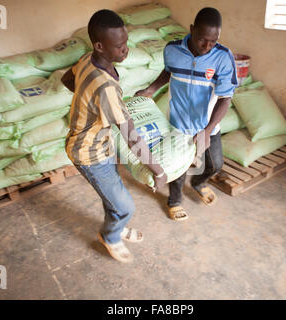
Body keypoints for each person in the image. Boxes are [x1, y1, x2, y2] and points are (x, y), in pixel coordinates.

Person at [61, 9, 167, 263]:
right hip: (88, 153)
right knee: (125, 205)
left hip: (101, 145)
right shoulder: (106, 87)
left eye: (126, 42)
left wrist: (86, 102)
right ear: (99, 46)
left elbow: (67, 79)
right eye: (119, 46)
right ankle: (110, 237)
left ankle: (116, 227)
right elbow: (131, 136)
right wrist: (159, 171)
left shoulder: (88, 59)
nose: (125, 50)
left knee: (113, 195)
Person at [136, 7, 237, 221]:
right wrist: (151, 89)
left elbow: (225, 98)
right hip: (178, 123)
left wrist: (208, 131)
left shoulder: (223, 57)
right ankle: (174, 200)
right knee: (178, 166)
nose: (207, 46)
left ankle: (199, 183)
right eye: (202, 40)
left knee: (215, 164)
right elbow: (168, 71)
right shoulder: (173, 50)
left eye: (213, 41)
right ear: (191, 30)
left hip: (207, 125)